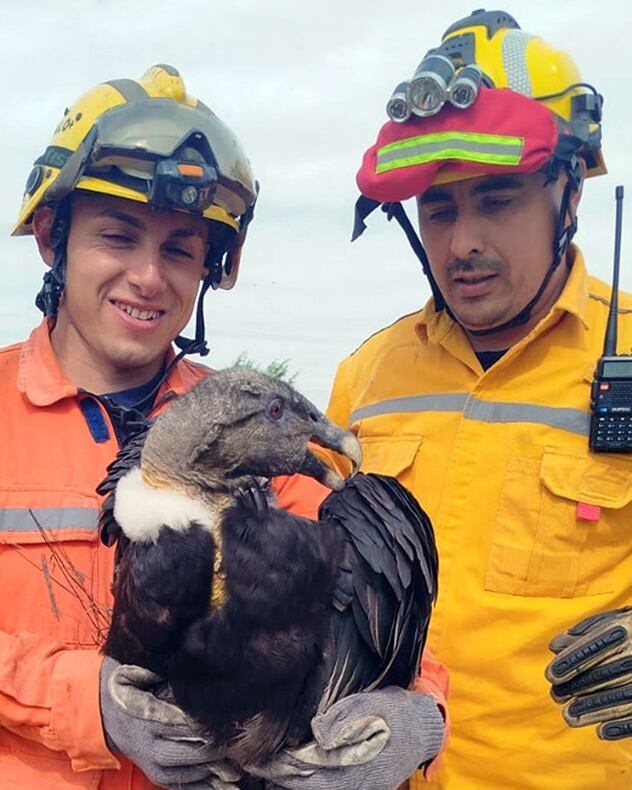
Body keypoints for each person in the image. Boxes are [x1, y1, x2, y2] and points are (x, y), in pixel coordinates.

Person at [0, 64, 448, 789]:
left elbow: (363, 602)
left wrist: (420, 715)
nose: (150, 276)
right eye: (119, 236)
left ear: (211, 266)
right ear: (53, 236)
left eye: (181, 249)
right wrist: (84, 700)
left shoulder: (253, 430)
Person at [324, 8, 632, 789]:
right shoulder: (366, 379)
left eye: (497, 199)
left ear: (569, 194)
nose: (462, 242)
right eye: (439, 208)